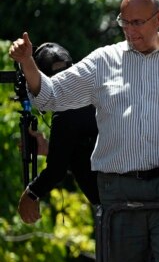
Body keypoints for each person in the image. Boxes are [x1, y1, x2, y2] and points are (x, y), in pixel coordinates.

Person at [9, 0, 159, 262]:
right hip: (118, 192)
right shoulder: (103, 60)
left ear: (158, 20)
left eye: (137, 22)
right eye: (124, 22)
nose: (129, 30)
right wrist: (28, 63)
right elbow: (51, 96)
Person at [17, 42, 99, 224]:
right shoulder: (90, 96)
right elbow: (90, 155)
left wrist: (31, 193)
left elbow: (56, 171)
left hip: (114, 205)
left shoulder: (66, 111)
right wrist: (49, 149)